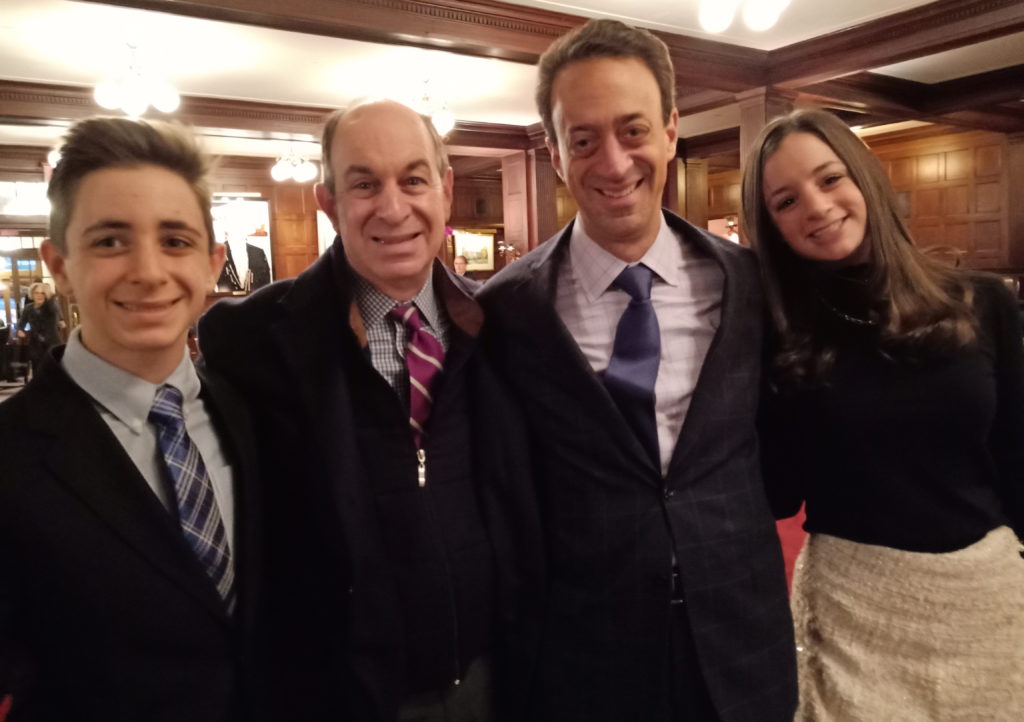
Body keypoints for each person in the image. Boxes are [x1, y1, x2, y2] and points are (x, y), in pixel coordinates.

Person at [477, 19, 797, 722]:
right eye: (583, 140)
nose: (615, 163)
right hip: (584, 659)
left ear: (671, 130)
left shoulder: (749, 284)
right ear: (555, 155)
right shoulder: (506, 311)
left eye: (634, 130)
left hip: (742, 643)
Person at [198, 99, 541, 721]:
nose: (392, 207)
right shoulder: (252, 341)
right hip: (340, 696)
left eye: (413, 179)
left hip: (493, 681)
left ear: (445, 190)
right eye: (364, 184)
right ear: (328, 203)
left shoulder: (503, 325)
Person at [742, 108, 1024, 720]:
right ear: (772, 227)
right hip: (852, 605)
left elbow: (1017, 457)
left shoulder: (983, 301)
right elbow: (778, 493)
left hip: (985, 595)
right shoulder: (784, 334)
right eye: (786, 201)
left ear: (863, 176)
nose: (816, 207)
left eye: (830, 179)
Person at [0, 117, 262, 721]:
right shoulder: (11, 455)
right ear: (60, 266)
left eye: (175, 240)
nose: (148, 271)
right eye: (110, 242)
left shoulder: (252, 413)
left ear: (212, 263)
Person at [16, 282, 64, 377]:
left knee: (53, 370)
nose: (39, 295)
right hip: (35, 344)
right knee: (37, 370)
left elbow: (56, 314)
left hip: (52, 342)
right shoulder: (28, 308)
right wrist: (20, 330)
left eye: (42, 293)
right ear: (32, 294)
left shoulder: (51, 306)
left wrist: (49, 297)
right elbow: (21, 323)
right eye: (36, 293)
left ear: (46, 295)